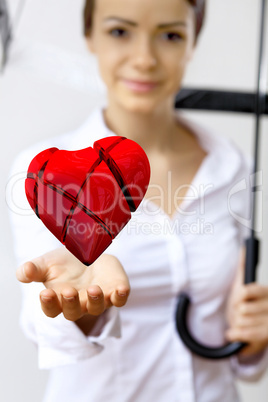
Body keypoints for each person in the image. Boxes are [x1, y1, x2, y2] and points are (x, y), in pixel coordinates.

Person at [9, 0, 268, 401]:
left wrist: (252, 339)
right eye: (119, 31)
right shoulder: (44, 175)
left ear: (192, 42)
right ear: (89, 35)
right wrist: (81, 309)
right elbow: (46, 335)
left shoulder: (233, 166)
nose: (145, 59)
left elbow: (241, 362)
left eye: (170, 35)